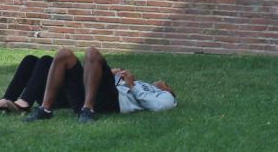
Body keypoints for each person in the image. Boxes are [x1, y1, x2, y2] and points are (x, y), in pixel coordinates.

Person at [21, 47, 176, 123]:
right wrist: (112, 74)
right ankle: (45, 110)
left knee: (92, 53)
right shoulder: (144, 84)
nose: (163, 82)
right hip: (99, 92)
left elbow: (157, 107)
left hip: (114, 102)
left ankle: (88, 110)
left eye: (167, 84)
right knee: (64, 54)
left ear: (169, 91)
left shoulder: (165, 97)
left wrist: (132, 85)